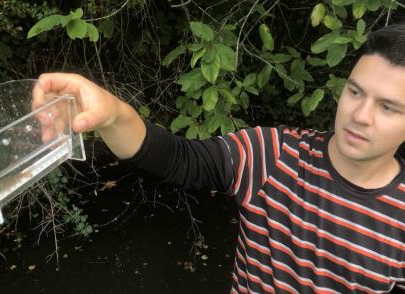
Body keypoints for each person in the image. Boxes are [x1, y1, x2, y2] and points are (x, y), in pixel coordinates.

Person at [32, 24, 405, 293]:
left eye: (388, 108)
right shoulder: (276, 156)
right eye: (355, 92)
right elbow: (180, 161)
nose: (360, 115)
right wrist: (113, 115)